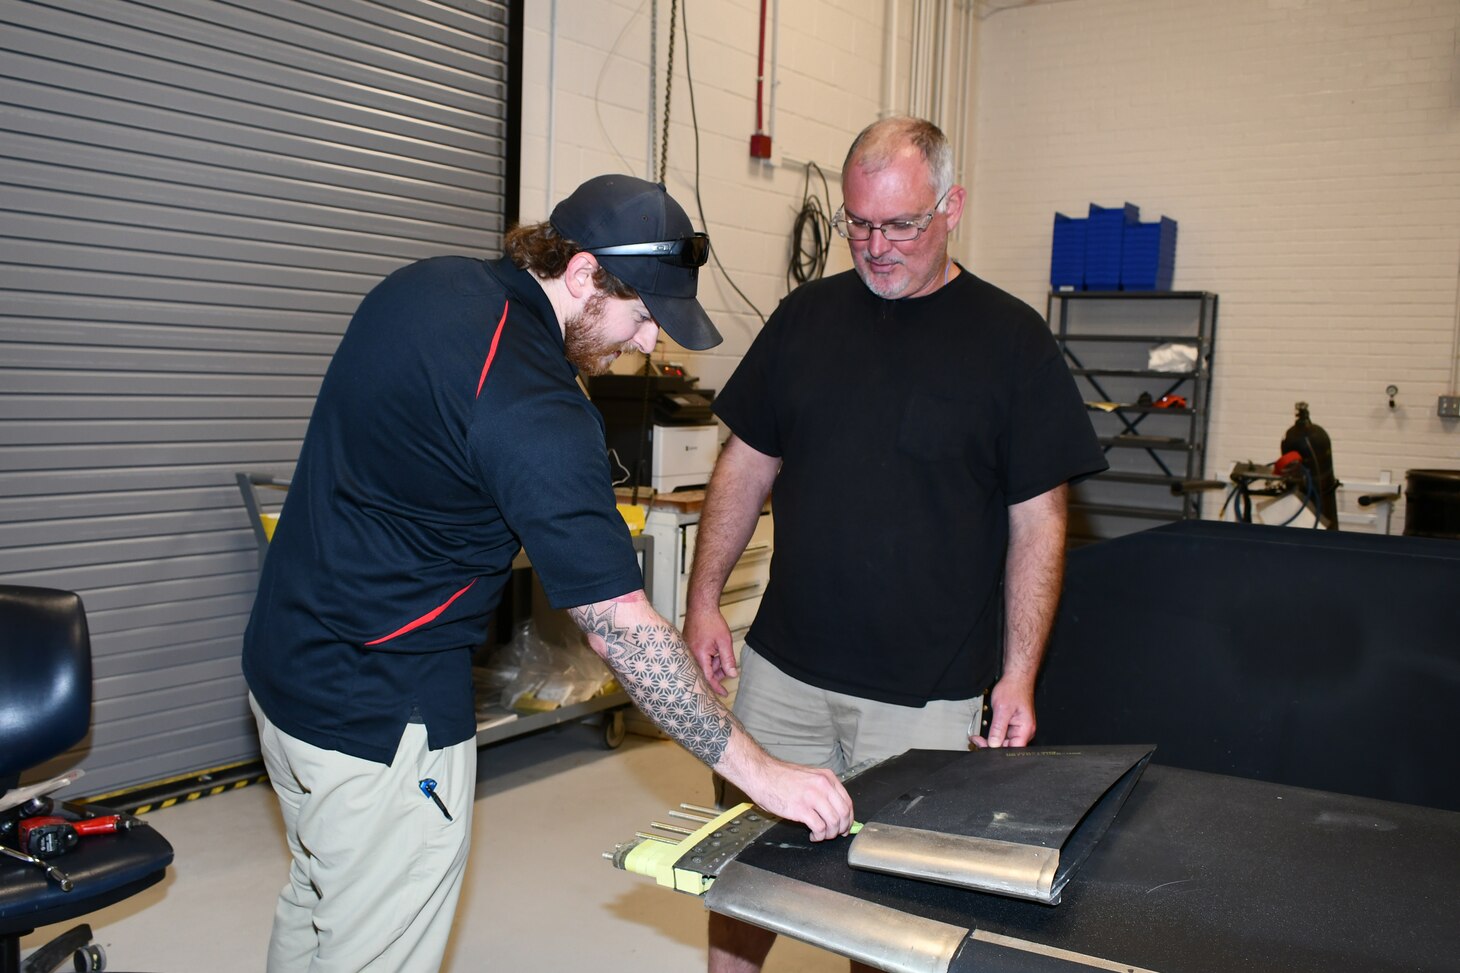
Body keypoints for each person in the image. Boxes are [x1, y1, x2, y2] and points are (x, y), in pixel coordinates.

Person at [241, 174, 854, 973]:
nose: (646, 346)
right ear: (582, 274)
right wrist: (759, 772)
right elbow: (624, 635)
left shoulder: (423, 286)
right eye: (643, 317)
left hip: (281, 673)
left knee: (322, 901)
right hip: (380, 718)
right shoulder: (538, 405)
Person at [683, 117, 1108, 973]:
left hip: (925, 697)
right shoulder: (806, 317)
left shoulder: (1011, 341)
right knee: (742, 872)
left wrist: (1019, 671)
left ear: (951, 206)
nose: (876, 247)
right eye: (859, 223)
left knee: (889, 906)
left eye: (901, 224)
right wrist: (702, 601)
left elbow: (1040, 519)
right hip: (785, 673)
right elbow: (745, 461)